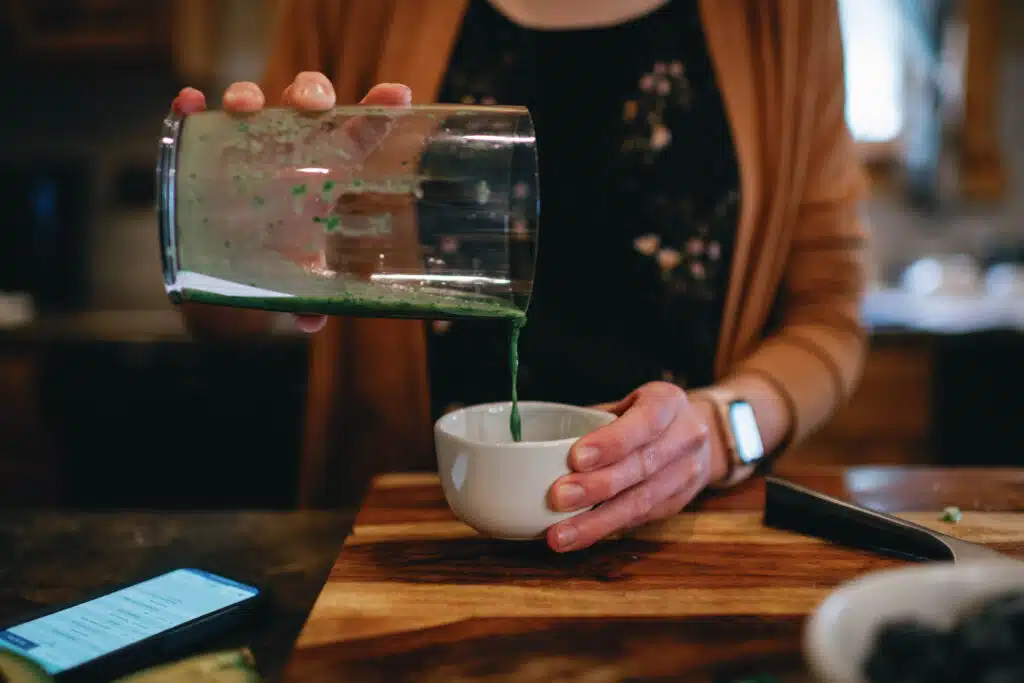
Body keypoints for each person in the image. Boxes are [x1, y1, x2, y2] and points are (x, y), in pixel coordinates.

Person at [172, 0, 870, 553]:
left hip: (681, 549)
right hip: (403, 550)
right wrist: (234, 235)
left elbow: (830, 311)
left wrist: (721, 433)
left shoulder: (784, 13)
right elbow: (226, 323)